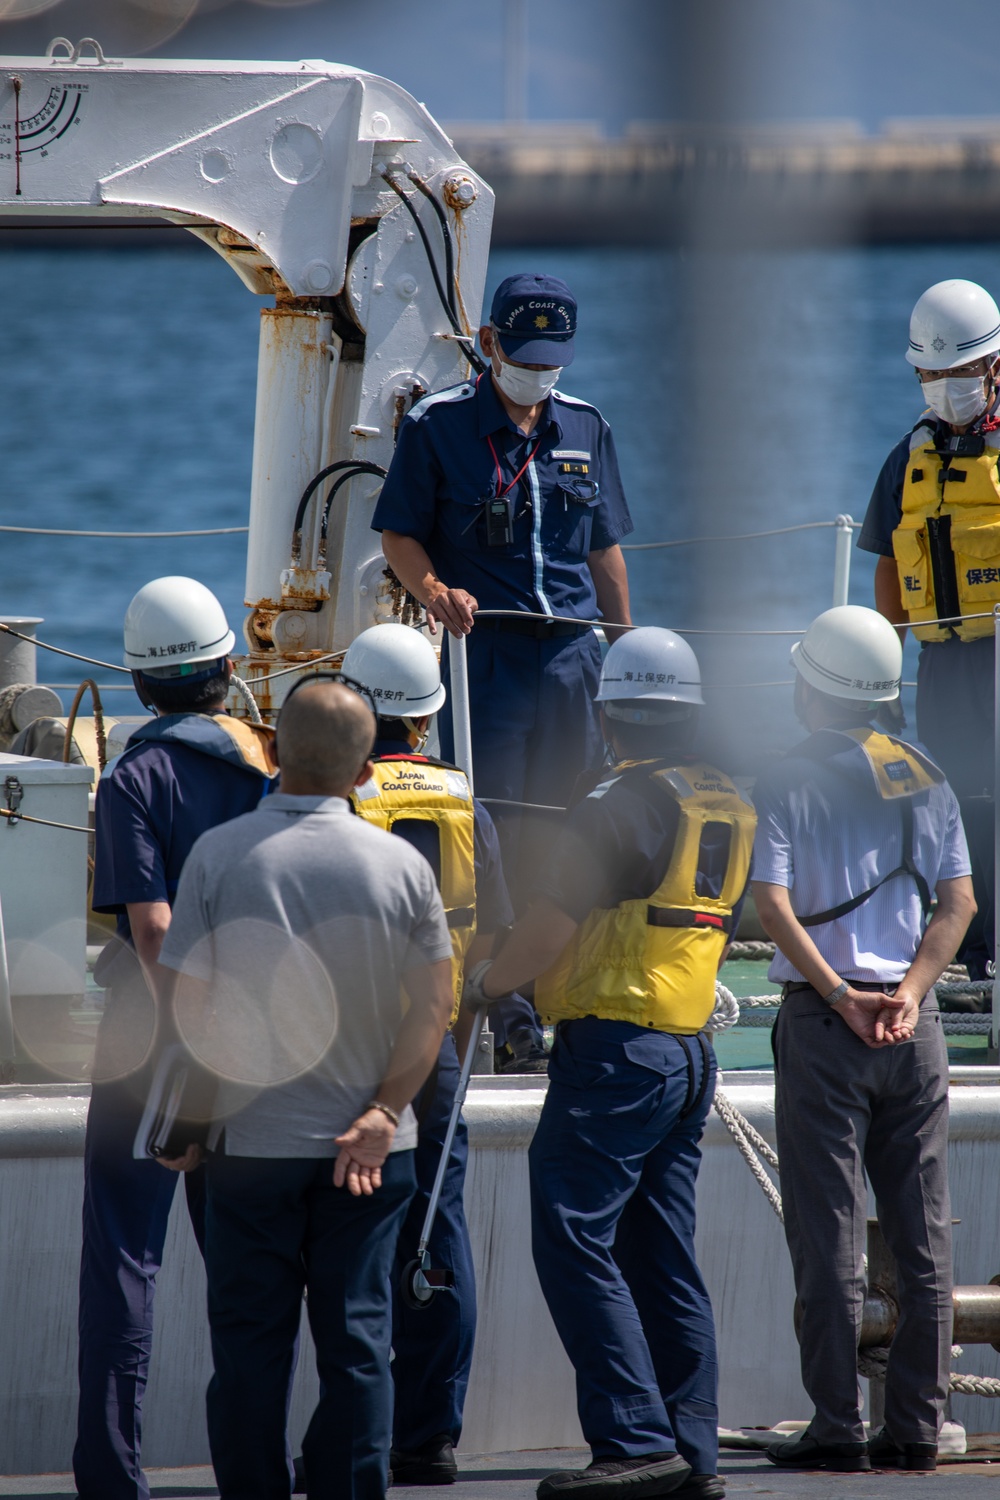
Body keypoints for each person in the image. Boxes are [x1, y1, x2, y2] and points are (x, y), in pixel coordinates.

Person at [464, 627, 755, 1500]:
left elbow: (550, 925)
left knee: (572, 1234)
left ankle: (634, 1440)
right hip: (687, 1051)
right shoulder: (723, 796)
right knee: (664, 1253)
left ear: (611, 713)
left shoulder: (615, 804)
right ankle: (689, 1451)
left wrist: (486, 982)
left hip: (615, 1052)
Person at [156, 679, 454, 1500]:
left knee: (249, 1348)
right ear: (367, 772)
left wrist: (186, 1124)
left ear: (274, 753)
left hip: (247, 1148)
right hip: (367, 1150)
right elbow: (434, 1007)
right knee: (359, 1343)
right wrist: (382, 1112)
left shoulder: (218, 855)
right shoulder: (401, 866)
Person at [751, 605, 975, 1474]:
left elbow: (772, 902)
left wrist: (843, 995)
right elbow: (958, 904)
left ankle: (839, 1428)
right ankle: (917, 1428)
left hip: (825, 1026)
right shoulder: (927, 774)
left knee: (828, 1234)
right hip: (913, 1036)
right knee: (925, 1242)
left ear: (813, 687)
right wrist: (910, 995)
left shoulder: (785, 778)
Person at [75, 576, 276, 1500]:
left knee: (125, 1250)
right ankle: (250, 1469)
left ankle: (113, 1475)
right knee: (242, 1260)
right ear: (229, 667)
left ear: (138, 684)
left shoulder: (133, 777)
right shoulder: (268, 764)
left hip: (155, 1035)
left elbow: (150, 934)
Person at [372, 271, 634, 909]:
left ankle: (551, 972)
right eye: (525, 358)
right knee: (485, 815)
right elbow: (399, 537)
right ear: (489, 341)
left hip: (575, 659)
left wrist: (626, 649)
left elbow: (604, 550)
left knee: (572, 813)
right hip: (485, 655)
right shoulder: (436, 425)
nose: (540, 372)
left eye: (553, 361)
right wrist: (436, 590)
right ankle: (490, 967)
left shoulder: (587, 426)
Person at [339, 623, 518, 1482]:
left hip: (342, 1043)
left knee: (344, 1238)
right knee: (438, 1224)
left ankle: (352, 1433)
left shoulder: (333, 791)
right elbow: (493, 935)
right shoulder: (462, 798)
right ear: (429, 714)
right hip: (437, 1039)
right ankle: (430, 1434)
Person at [858, 278, 1000, 978]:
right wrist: (884, 673)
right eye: (932, 373)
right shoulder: (905, 460)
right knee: (951, 806)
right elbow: (889, 569)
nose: (946, 386)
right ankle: (971, 956)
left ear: (994, 368)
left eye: (962, 372)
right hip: (943, 668)